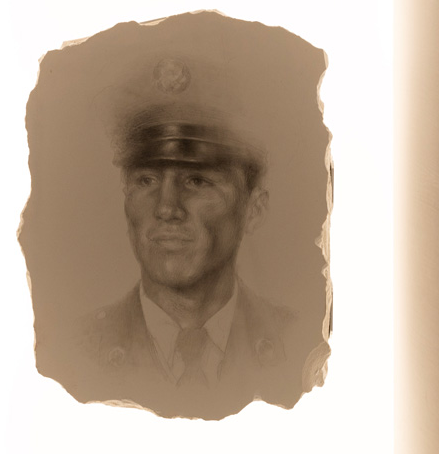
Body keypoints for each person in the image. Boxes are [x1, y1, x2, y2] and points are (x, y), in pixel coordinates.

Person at [56, 105, 327, 420]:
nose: (167, 208)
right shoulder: (75, 350)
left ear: (253, 210)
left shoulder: (303, 347)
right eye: (146, 180)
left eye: (197, 181)